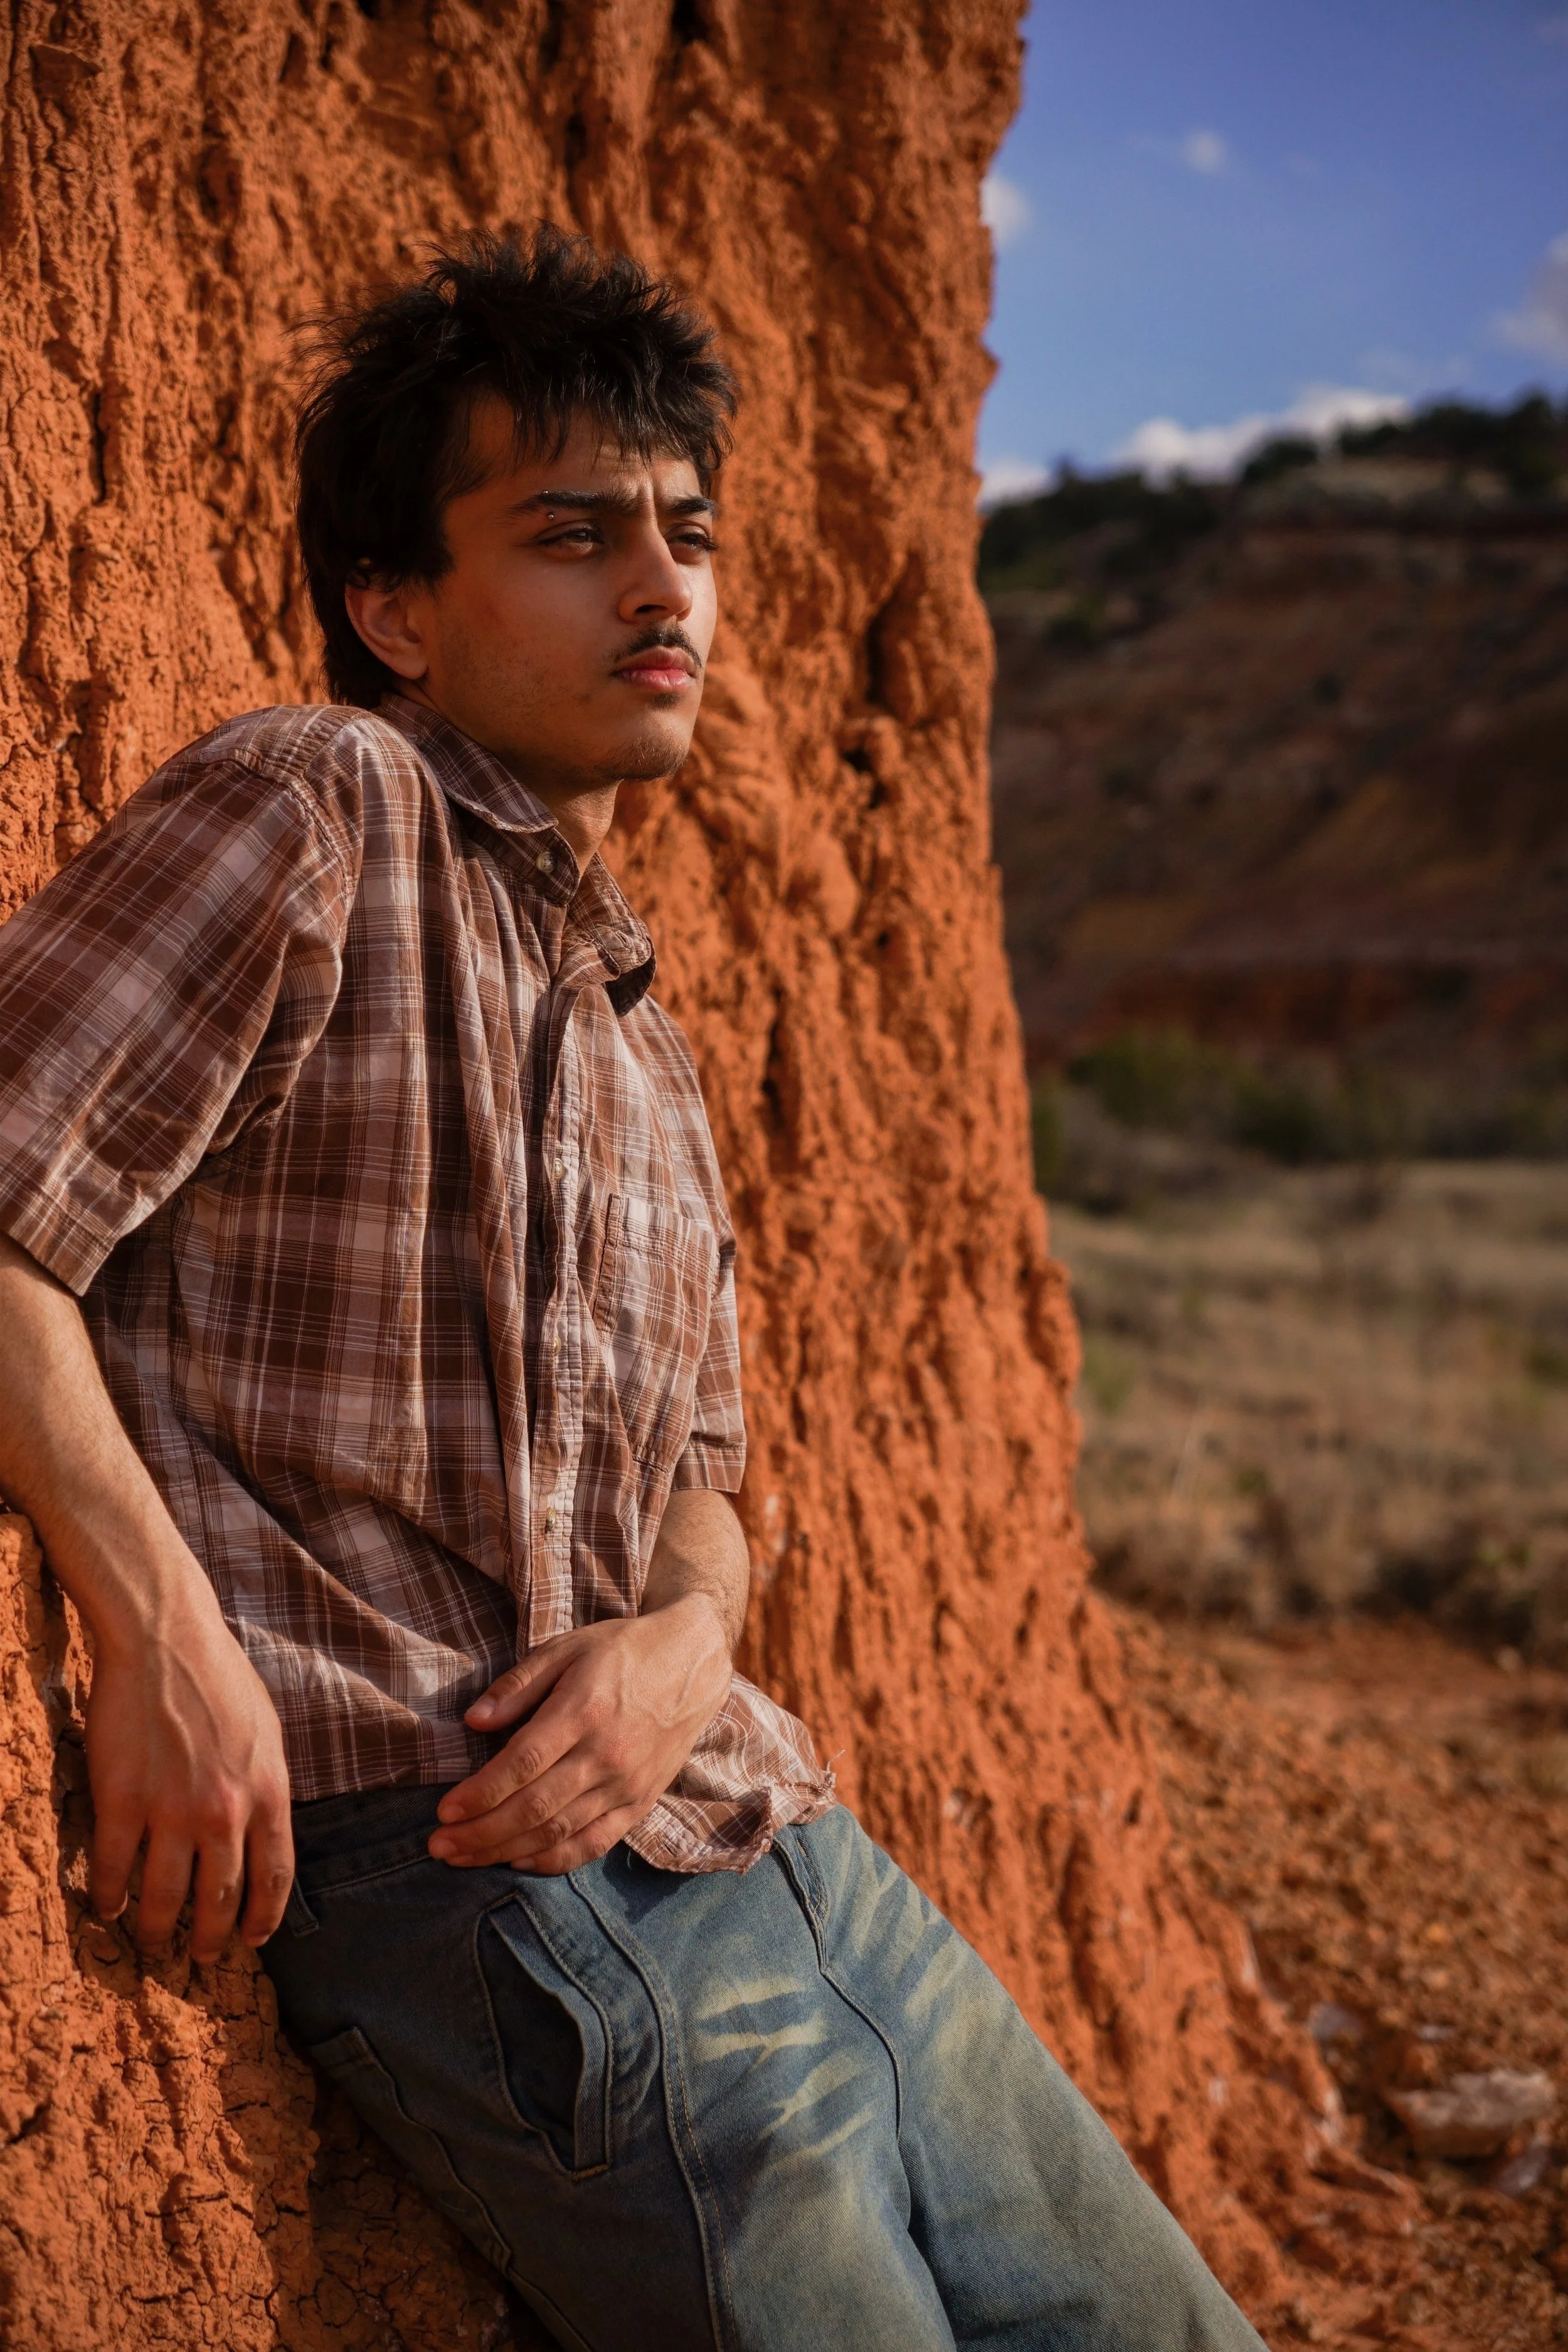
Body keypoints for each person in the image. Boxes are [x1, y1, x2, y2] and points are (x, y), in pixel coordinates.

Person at [0, 228, 1267, 2351]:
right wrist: (161, 1631)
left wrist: (686, 1639)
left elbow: (707, 1473)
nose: (664, 589)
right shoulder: (323, 806)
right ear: (397, 606)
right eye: (572, 537)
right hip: (467, 1858)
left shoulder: (639, 1021)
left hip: (765, 1828)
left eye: (687, 534)